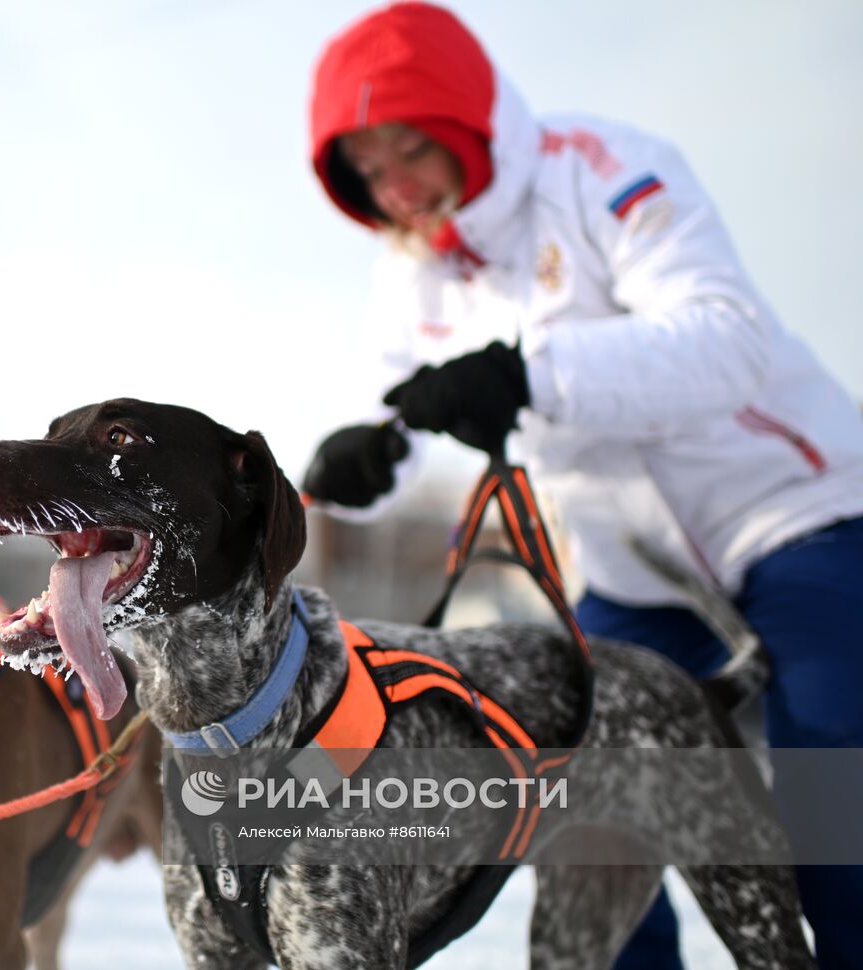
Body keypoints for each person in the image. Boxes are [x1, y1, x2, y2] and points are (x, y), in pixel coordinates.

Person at [302, 4, 863, 968]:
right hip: (627, 569)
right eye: (367, 171)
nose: (395, 187)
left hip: (793, 514)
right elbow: (416, 426)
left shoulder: (598, 169)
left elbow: (728, 340)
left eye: (410, 149)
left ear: (467, 124)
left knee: (831, 785)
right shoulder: (408, 287)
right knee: (590, 812)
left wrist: (530, 372)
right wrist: (370, 467)